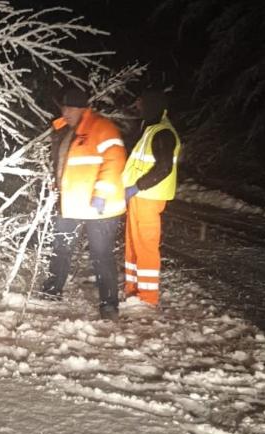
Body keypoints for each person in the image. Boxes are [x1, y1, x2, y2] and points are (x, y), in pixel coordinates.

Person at [41, 87, 127, 321]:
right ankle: (51, 290)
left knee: (101, 255)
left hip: (101, 208)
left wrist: (101, 193)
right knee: (61, 247)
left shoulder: (102, 128)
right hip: (72, 203)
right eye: (63, 108)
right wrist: (57, 184)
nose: (65, 112)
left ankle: (109, 304)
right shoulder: (66, 132)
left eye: (69, 108)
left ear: (82, 109)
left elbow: (115, 163)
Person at [122, 90, 181, 310]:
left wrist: (138, 186)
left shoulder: (163, 132)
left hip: (148, 197)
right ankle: (133, 290)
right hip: (139, 198)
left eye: (141, 103)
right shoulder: (151, 129)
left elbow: (163, 167)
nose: (138, 107)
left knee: (145, 247)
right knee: (133, 247)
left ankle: (147, 298)